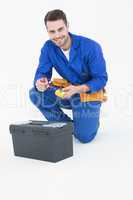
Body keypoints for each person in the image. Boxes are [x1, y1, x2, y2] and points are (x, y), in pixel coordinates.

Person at [29, 9, 108, 143]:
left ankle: (85, 124)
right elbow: (42, 72)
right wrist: (40, 82)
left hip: (88, 95)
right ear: (47, 31)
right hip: (68, 93)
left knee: (83, 137)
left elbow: (101, 79)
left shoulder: (91, 47)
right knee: (35, 93)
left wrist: (78, 89)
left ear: (67, 26)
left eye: (60, 29)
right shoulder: (48, 48)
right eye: (52, 32)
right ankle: (66, 126)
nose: (57, 35)